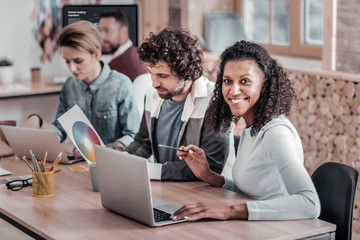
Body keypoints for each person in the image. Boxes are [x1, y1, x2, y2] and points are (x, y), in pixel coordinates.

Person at [171, 40, 320, 221]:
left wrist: (227, 211)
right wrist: (208, 175)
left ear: (264, 85)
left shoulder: (276, 134)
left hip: (280, 231)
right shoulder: (252, 128)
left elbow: (309, 203)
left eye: (245, 81)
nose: (234, 90)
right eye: (228, 81)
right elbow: (251, 193)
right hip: (252, 227)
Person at [124, 28, 229, 181]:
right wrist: (122, 160)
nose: (154, 83)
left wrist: (151, 171)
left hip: (205, 193)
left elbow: (211, 165)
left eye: (162, 76)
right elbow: (143, 142)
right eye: (151, 73)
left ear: (187, 72)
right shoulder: (152, 94)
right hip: (166, 186)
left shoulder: (214, 100)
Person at [26, 20, 140, 158]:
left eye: (78, 61)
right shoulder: (70, 85)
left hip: (114, 164)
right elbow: (60, 130)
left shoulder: (121, 85)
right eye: (67, 61)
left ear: (97, 54)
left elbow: (133, 137)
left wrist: (95, 150)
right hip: (82, 165)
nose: (72, 68)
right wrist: (37, 122)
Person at [98, 9, 151, 113]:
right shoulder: (117, 58)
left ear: (124, 31)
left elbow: (137, 115)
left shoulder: (136, 66)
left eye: (106, 31)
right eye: (100, 31)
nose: (101, 36)